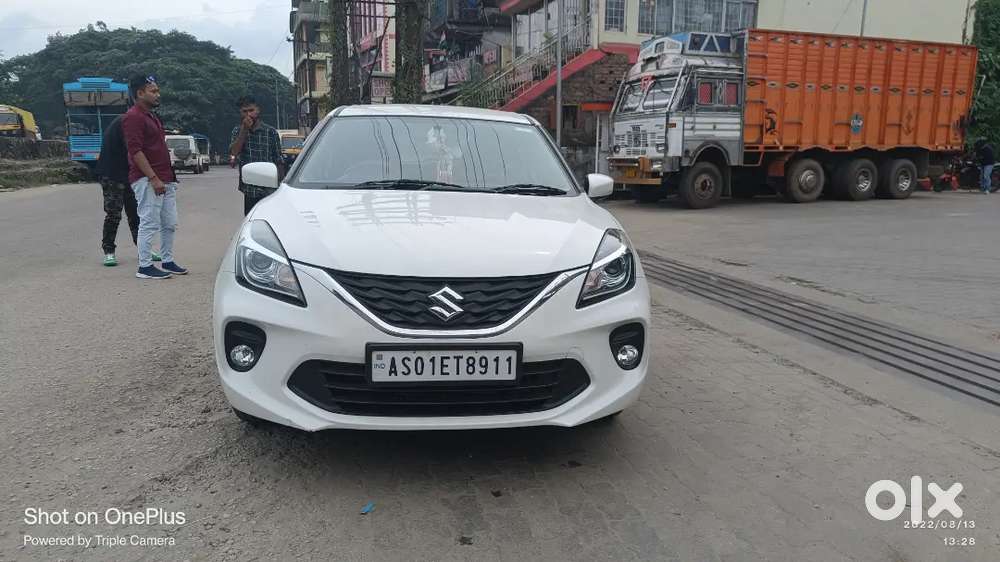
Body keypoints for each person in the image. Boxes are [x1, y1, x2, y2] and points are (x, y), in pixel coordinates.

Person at [122, 74, 187, 279]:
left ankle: (167, 260)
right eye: (153, 91)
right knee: (149, 221)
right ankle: (145, 266)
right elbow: (136, 151)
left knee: (169, 223)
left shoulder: (152, 116)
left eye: (157, 90)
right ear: (140, 93)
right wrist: (153, 178)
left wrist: (166, 178)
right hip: (147, 178)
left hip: (165, 178)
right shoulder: (133, 117)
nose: (158, 94)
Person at [95, 111, 157, 266]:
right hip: (111, 174)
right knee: (113, 214)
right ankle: (109, 251)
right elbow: (134, 151)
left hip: (128, 174)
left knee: (136, 213)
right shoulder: (128, 122)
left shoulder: (133, 121)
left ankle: (143, 249)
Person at [229, 96, 284, 215]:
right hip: (249, 189)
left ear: (257, 110)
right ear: (240, 113)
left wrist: (280, 186)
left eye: (251, 110)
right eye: (244, 111)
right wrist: (244, 130)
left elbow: (278, 160)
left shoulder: (270, 132)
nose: (248, 115)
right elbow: (234, 152)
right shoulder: (237, 131)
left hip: (270, 189)